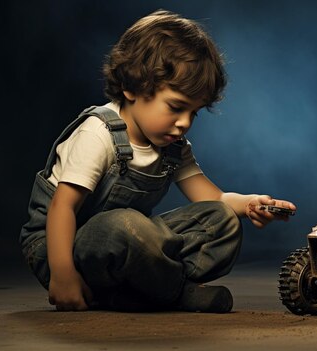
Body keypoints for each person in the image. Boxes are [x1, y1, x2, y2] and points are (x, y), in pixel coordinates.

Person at [20, 9, 296, 313]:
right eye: (176, 107)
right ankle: (176, 293)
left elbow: (213, 198)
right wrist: (62, 275)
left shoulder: (174, 146)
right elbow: (62, 208)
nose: (184, 123)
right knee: (123, 225)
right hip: (62, 248)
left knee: (223, 222)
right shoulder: (98, 135)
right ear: (132, 87)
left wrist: (249, 204)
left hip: (132, 247)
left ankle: (134, 294)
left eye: (194, 112)